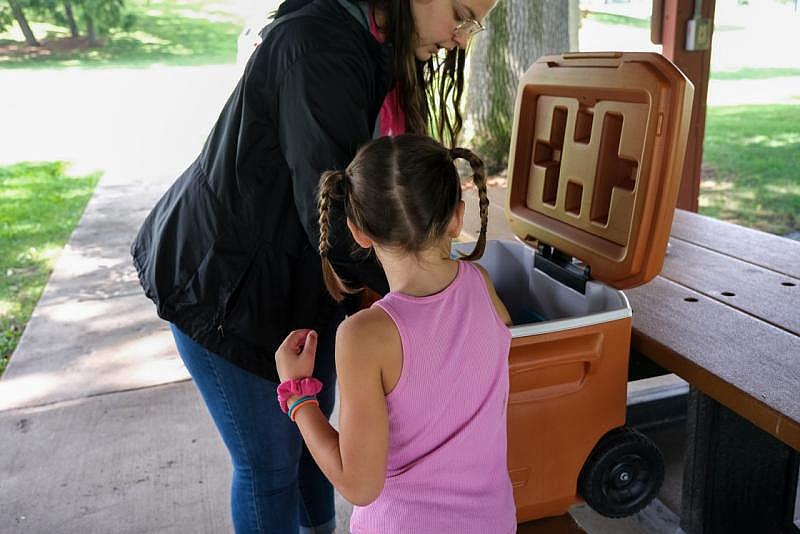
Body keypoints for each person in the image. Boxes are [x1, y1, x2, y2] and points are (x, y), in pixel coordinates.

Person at [131, 0, 497, 532]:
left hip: (303, 281)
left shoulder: (382, 46)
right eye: (462, 14)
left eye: (475, 24)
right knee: (271, 468)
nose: (462, 39)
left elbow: (374, 218)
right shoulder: (319, 51)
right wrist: (438, 290)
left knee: (316, 449)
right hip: (226, 287)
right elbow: (335, 219)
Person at [275, 134, 516, 534]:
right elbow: (492, 344)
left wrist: (298, 395)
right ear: (457, 218)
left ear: (358, 232)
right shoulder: (481, 285)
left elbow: (358, 485)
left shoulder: (364, 336)